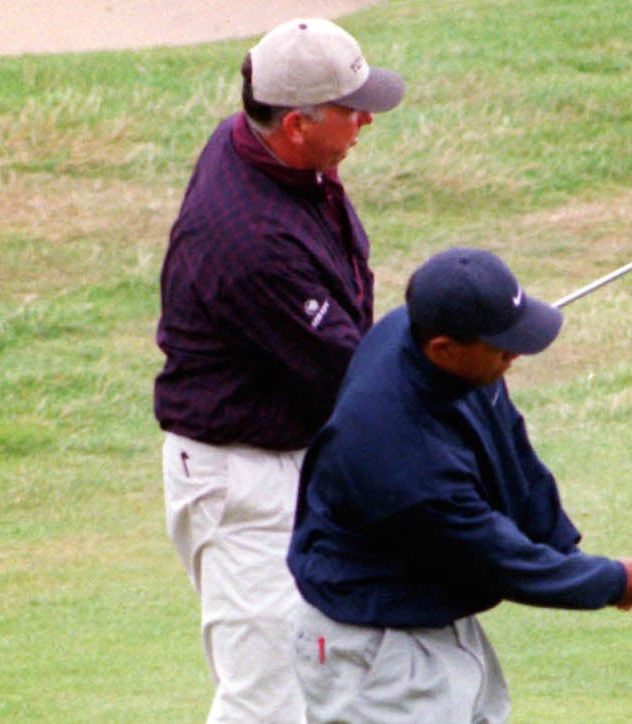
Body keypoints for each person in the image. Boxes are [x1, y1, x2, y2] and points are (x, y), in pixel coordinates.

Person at [287, 248, 632, 722]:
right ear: (444, 349)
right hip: (372, 651)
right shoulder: (398, 452)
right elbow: (496, 557)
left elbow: (512, 447)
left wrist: (567, 551)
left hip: (429, 621)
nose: (514, 354)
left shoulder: (440, 351)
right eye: (501, 346)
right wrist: (609, 581)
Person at [153, 17, 405, 723]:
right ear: (296, 122)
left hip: (290, 464)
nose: (365, 120)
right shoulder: (249, 241)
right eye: (351, 109)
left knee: (338, 678)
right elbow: (353, 379)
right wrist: (448, 365)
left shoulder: (264, 150)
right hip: (243, 490)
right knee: (268, 703)